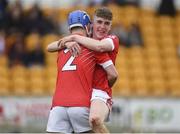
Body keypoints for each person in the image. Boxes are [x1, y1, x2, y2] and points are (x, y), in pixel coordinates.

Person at [46, 10, 118, 133]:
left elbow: (49, 47)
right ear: (89, 26)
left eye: (106, 23)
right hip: (80, 103)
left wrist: (69, 41)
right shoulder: (93, 49)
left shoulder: (62, 47)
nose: (101, 26)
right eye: (99, 22)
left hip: (58, 105)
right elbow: (113, 74)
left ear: (69, 29)